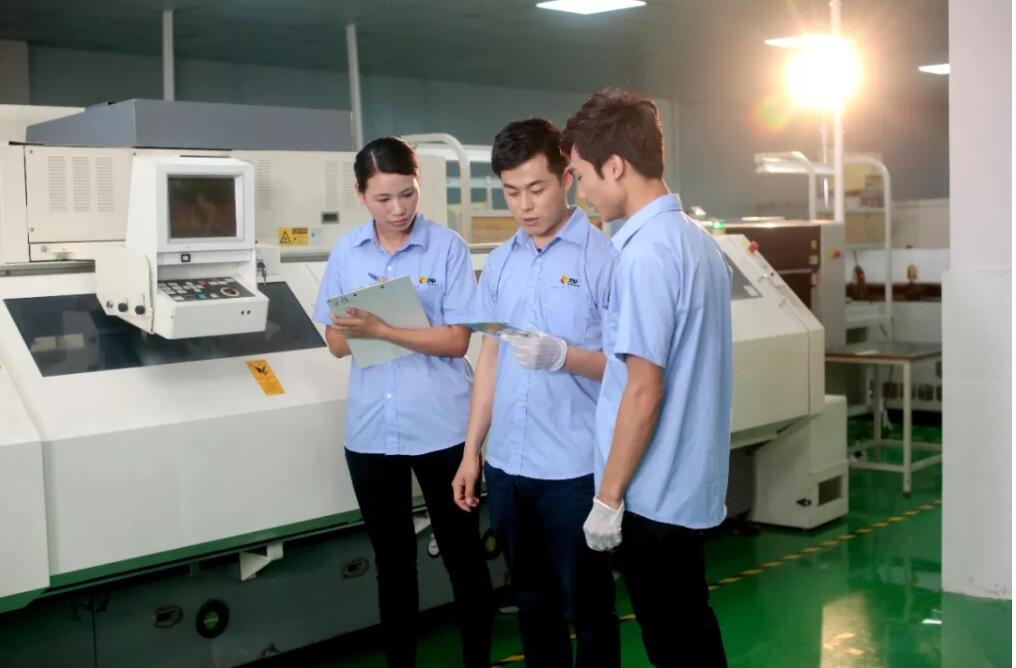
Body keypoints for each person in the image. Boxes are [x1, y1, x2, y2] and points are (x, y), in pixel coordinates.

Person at [563, 90, 733, 667]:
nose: (580, 192)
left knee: (675, 645)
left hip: (652, 494)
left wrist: (608, 497)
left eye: (581, 175)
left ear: (615, 166)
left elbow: (643, 387)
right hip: (684, 485)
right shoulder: (695, 240)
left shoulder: (644, 256)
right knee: (690, 634)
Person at [312, 136, 493, 668]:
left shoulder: (447, 248)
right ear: (360, 195)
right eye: (383, 198)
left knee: (464, 558)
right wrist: (358, 330)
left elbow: (457, 340)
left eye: (408, 194)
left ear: (419, 185)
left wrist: (383, 329)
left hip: (444, 430)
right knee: (392, 565)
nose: (398, 209)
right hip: (372, 432)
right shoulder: (347, 252)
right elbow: (334, 342)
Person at [451, 119, 620, 668]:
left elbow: (630, 370)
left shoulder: (603, 259)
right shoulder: (502, 261)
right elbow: (490, 356)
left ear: (567, 178)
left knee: (589, 610)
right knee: (531, 604)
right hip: (508, 467)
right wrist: (472, 451)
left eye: (536, 188)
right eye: (510, 191)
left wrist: (565, 355)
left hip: (574, 470)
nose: (523, 205)